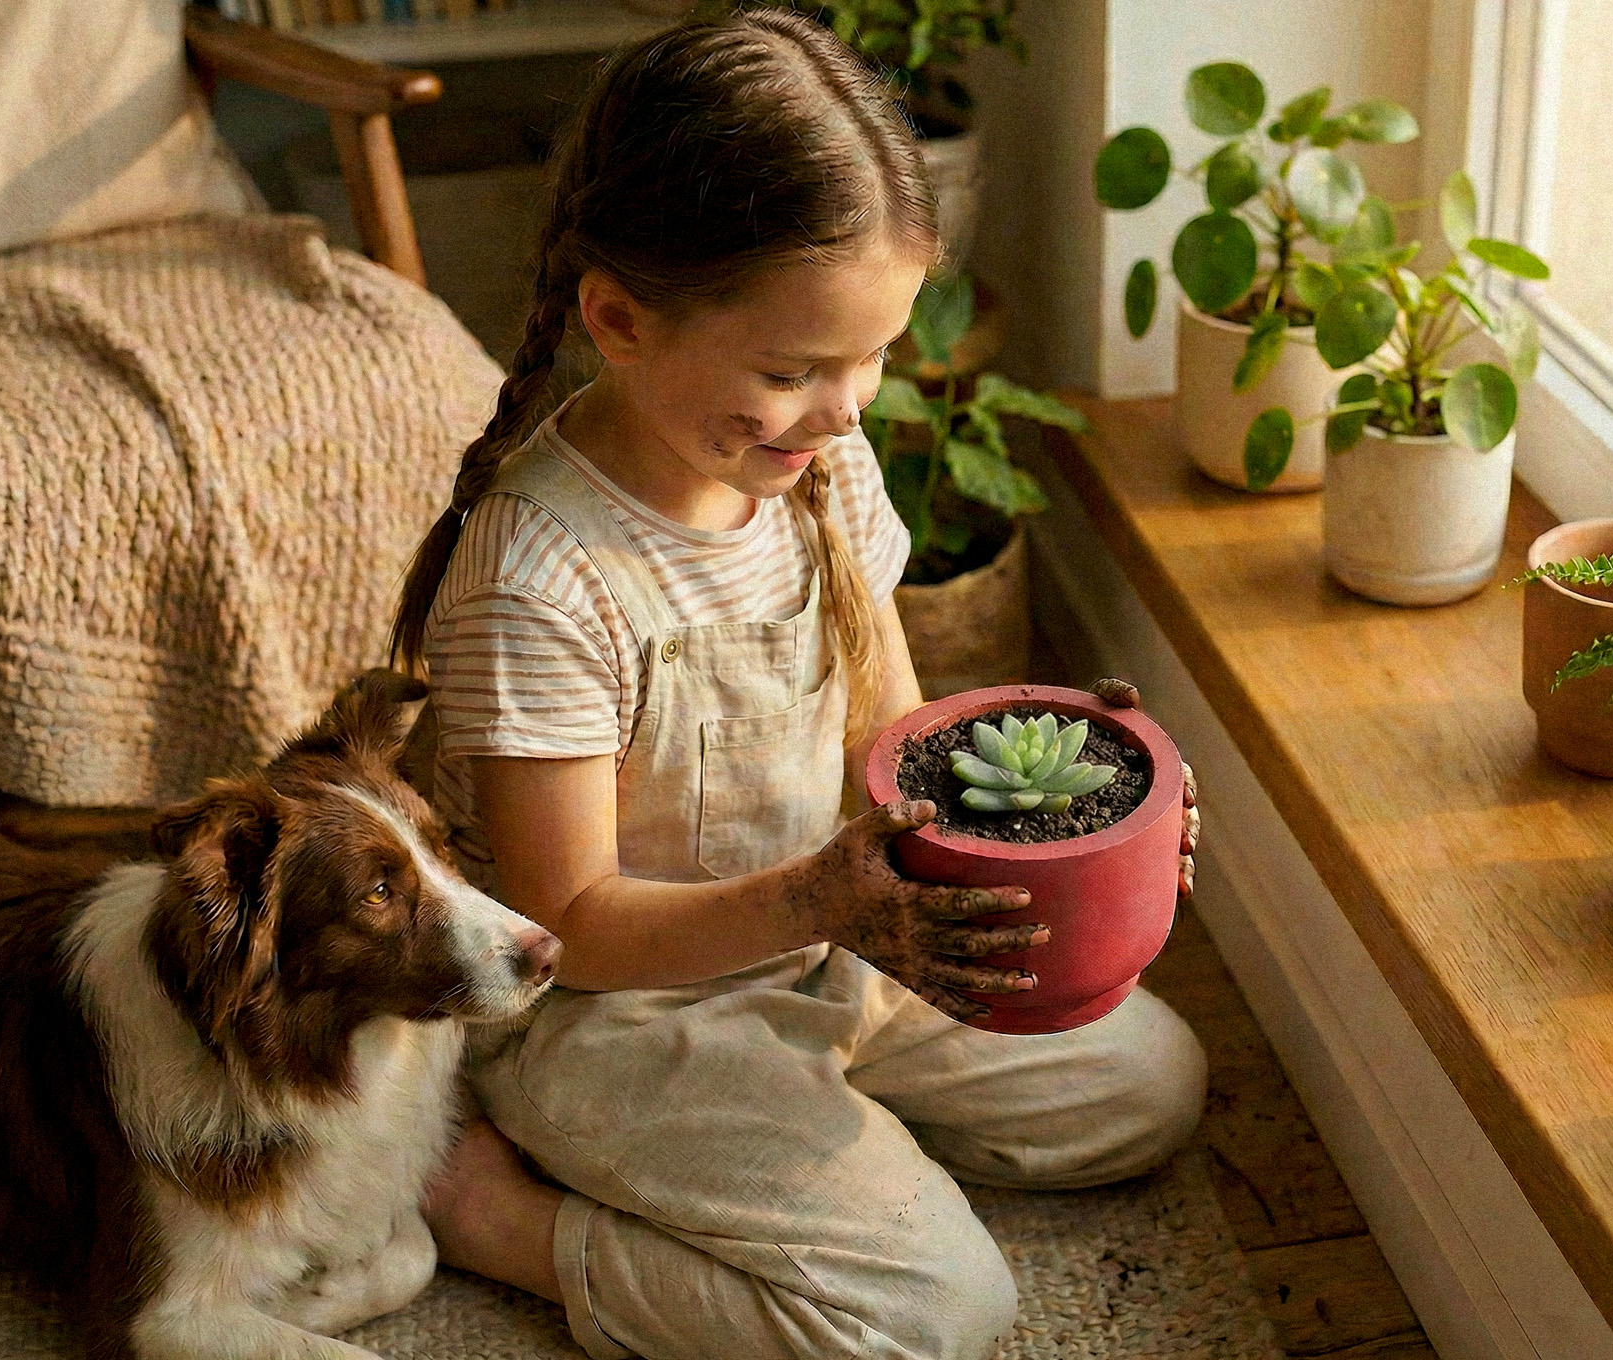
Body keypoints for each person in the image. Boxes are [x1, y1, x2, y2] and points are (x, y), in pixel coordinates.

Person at [392, 11, 1207, 1359]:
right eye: (792, 370)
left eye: (873, 354)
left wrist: (1077, 830)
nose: (848, 407)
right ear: (619, 320)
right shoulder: (541, 578)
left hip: (835, 936)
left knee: (1149, 1085)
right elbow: (569, 926)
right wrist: (821, 902)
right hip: (621, 1011)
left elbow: (895, 742)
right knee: (938, 1309)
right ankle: (497, 1211)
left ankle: (816, 1132)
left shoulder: (818, 468)